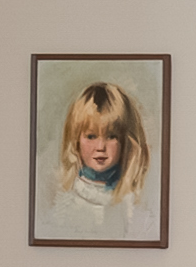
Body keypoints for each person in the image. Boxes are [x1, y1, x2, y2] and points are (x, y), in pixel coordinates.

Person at [43, 75, 160, 241]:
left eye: (111, 136)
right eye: (91, 136)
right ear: (75, 141)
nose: (100, 147)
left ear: (126, 141)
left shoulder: (134, 209)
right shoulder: (62, 210)